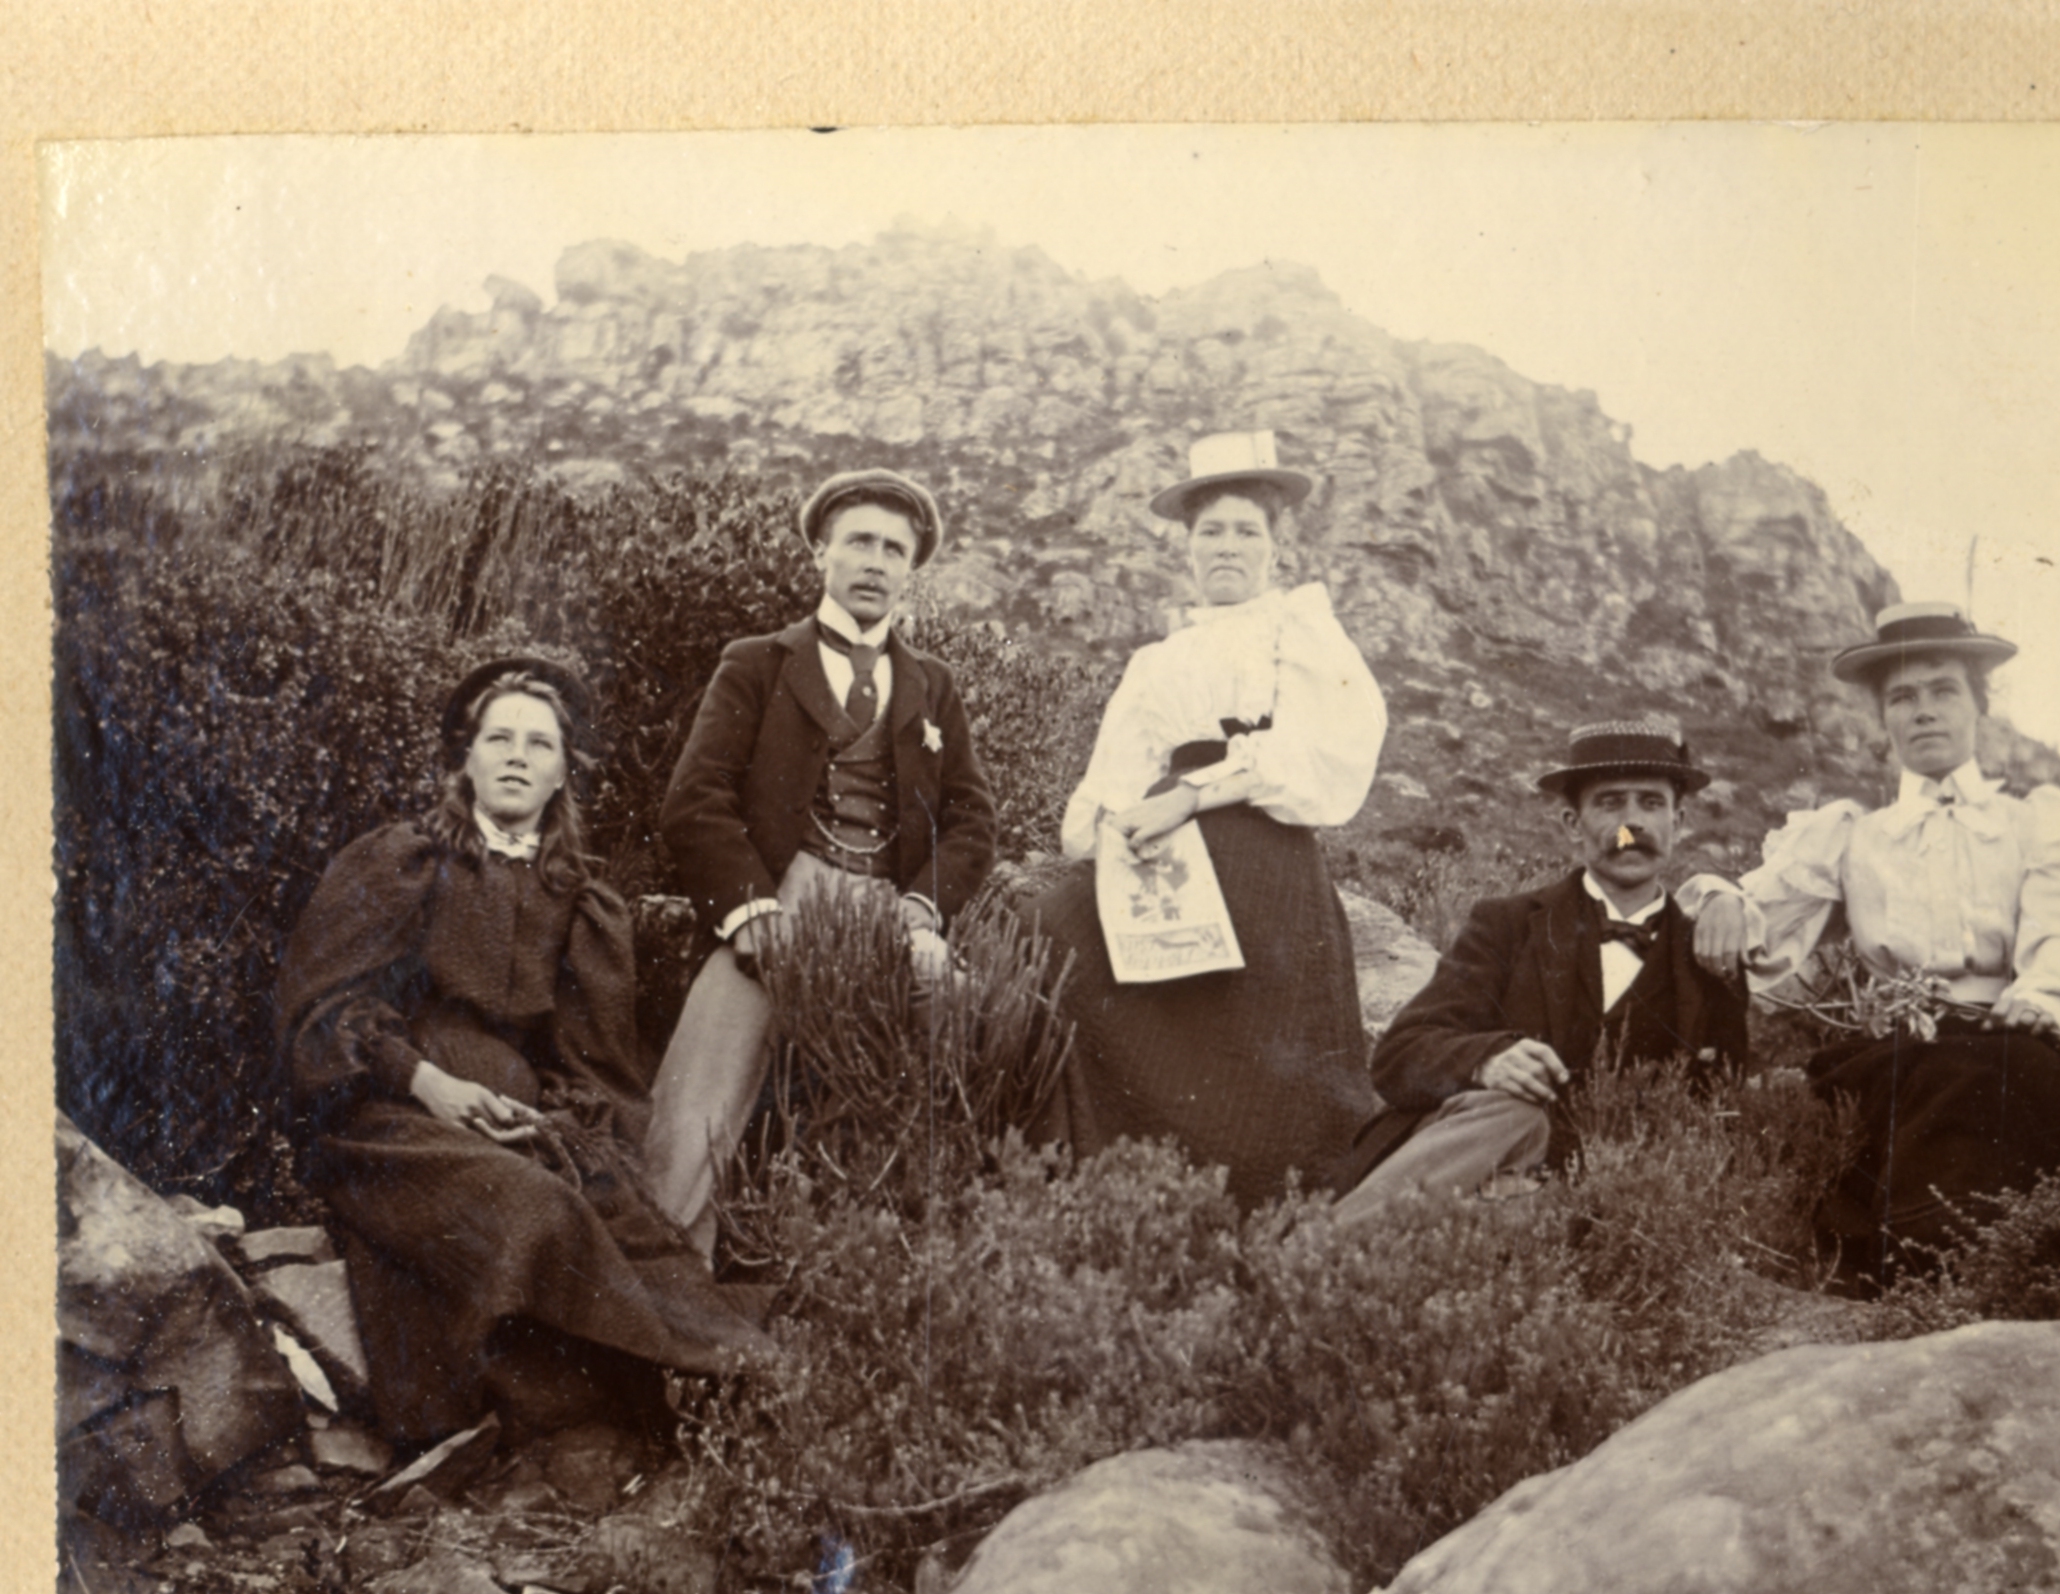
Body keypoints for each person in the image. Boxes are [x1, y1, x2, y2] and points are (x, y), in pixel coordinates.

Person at [274, 658, 774, 1447]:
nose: (516, 757)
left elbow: (591, 1064)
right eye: (498, 739)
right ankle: (687, 1383)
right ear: (465, 760)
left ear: (562, 773)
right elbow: (326, 1011)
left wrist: (553, 1124)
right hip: (390, 1124)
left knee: (627, 1223)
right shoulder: (408, 862)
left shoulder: (578, 897)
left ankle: (747, 1376)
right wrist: (429, 1082)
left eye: (539, 745)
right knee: (536, 1209)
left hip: (516, 1127)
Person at [1688, 601, 2060, 1293]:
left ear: (1979, 707)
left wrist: (2042, 996)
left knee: (2005, 1075)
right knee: (1908, 1085)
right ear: (1883, 719)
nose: (1924, 711)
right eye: (1903, 697)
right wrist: (1722, 898)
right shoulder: (1855, 834)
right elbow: (1761, 911)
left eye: (1944, 691)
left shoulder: (2032, 823)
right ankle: (1914, 1270)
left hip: (2010, 1038)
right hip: (1894, 1053)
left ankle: (1988, 1266)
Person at [1030, 431, 1388, 1207]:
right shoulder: (1158, 661)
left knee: (1262, 1044)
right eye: (1211, 531)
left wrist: (1191, 794)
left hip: (1261, 844)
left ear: (1275, 550)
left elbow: (1318, 749)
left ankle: (1265, 1191)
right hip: (1166, 846)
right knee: (1053, 921)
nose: (1227, 546)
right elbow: (1114, 779)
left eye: (1246, 532)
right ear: (1188, 547)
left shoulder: (1297, 630)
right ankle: (1110, 1175)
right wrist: (1115, 833)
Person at [645, 469, 997, 1254]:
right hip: (781, 899)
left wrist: (921, 909)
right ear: (820, 553)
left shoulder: (934, 686)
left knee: (955, 1035)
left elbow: (973, 820)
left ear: (911, 569)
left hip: (889, 913)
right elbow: (695, 799)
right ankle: (665, 1285)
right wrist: (748, 911)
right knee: (697, 1105)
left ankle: (886, 1269)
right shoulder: (757, 663)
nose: (876, 562)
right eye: (859, 542)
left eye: (894, 550)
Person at [1331, 720, 1751, 1224]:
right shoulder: (1506, 924)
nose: (1632, 824)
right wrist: (1486, 1062)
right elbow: (1398, 1056)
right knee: (1516, 1113)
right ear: (1573, 824)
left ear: (1678, 823)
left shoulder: (1709, 954)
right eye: (1610, 803)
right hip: (1472, 1168)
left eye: (1651, 803)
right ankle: (1321, 1249)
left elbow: (1720, 1109)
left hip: (1589, 1205)